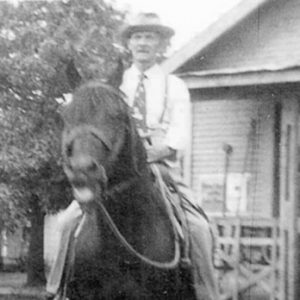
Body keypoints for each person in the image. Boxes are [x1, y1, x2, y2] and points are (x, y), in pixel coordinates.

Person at [120, 12, 219, 300]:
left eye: (149, 36)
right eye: (137, 36)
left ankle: (207, 293)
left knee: (199, 229)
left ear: (160, 43)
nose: (142, 43)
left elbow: (179, 135)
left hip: (159, 168)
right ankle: (59, 289)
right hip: (119, 171)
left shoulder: (174, 86)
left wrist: (154, 151)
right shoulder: (116, 84)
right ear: (128, 43)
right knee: (68, 223)